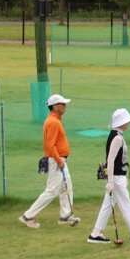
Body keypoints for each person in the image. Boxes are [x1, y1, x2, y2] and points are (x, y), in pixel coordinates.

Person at [88, 108, 130, 244]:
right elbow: (110, 159)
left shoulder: (116, 135)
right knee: (126, 204)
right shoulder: (117, 137)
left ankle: (96, 233)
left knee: (108, 204)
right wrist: (110, 180)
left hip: (116, 176)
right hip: (116, 177)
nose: (129, 122)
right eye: (127, 120)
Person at [21, 93, 78, 229]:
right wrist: (59, 160)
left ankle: (65, 215)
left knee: (66, 186)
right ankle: (28, 216)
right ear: (56, 107)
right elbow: (50, 145)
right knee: (52, 190)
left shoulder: (55, 120)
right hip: (57, 160)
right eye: (63, 104)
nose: (65, 106)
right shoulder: (53, 122)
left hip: (59, 160)